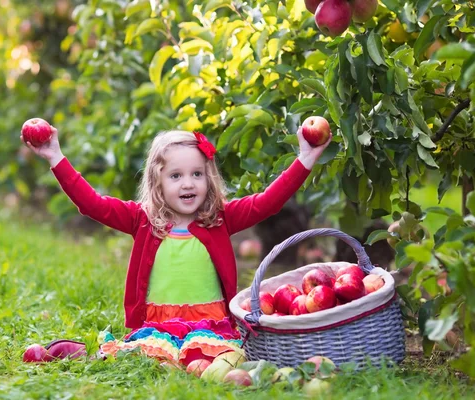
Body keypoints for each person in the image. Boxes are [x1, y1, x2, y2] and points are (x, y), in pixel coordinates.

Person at [21, 126, 331, 366]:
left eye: (197, 174)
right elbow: (92, 204)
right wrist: (55, 157)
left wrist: (305, 158)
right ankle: (69, 352)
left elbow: (268, 203)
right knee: (149, 358)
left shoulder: (220, 219)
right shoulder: (142, 219)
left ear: (208, 178)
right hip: (158, 325)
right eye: (176, 175)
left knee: (215, 360)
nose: (188, 183)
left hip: (211, 324)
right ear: (158, 182)